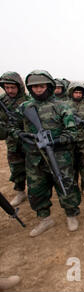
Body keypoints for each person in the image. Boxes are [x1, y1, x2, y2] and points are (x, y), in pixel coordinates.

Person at [11, 70, 81, 236]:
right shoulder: (24, 107)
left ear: (49, 86)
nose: (38, 89)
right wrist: (21, 135)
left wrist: (55, 141)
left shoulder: (62, 106)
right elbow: (11, 126)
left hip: (59, 156)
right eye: (34, 87)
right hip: (34, 158)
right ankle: (45, 219)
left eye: (41, 86)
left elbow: (72, 132)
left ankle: (71, 214)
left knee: (66, 186)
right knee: (36, 190)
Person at [0, 72, 29, 207]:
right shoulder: (2, 101)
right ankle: (20, 191)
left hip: (29, 140)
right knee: (16, 168)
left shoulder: (28, 100)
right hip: (12, 141)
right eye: (7, 87)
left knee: (34, 168)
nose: (10, 90)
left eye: (13, 87)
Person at [66, 82, 84, 197]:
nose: (78, 94)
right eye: (75, 92)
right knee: (71, 164)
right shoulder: (64, 106)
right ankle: (73, 185)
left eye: (80, 92)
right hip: (69, 140)